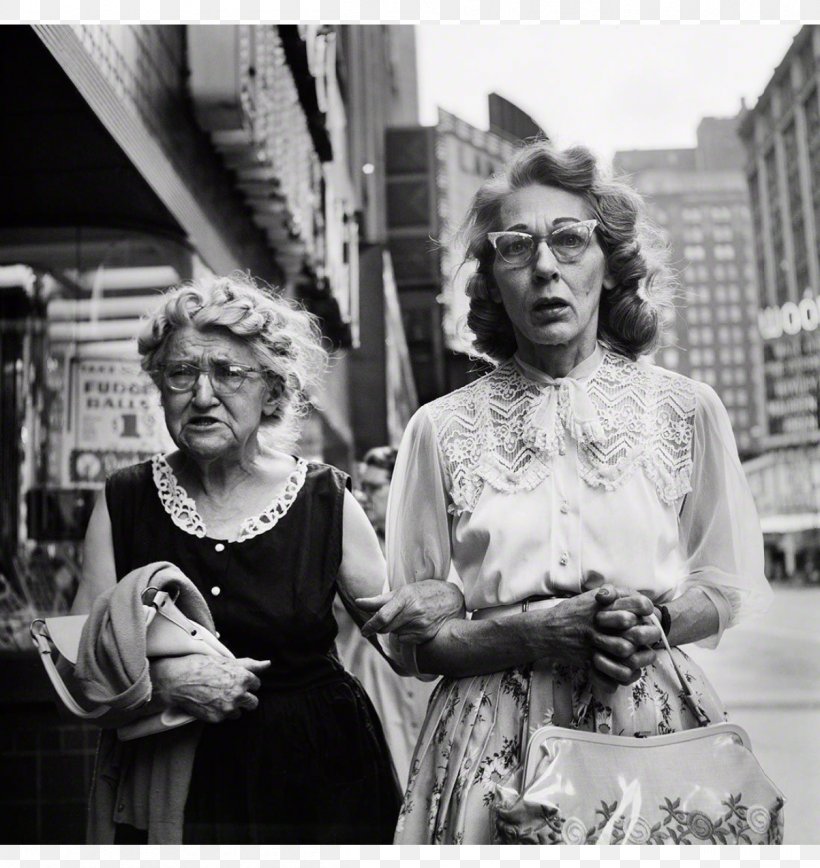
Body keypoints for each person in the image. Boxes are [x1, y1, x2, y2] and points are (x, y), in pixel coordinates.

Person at [361, 141, 773, 843]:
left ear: (609, 264)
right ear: (491, 279)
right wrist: (526, 630)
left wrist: (655, 625)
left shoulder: (685, 409)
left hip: (644, 729)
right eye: (516, 247)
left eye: (570, 240)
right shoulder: (439, 428)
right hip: (489, 743)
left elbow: (725, 585)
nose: (545, 266)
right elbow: (413, 647)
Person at [71, 272, 464, 844]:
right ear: (160, 386)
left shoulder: (323, 499)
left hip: (319, 783)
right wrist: (164, 684)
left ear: (273, 391)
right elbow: (73, 657)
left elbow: (406, 649)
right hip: (174, 788)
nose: (202, 395)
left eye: (229, 373)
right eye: (181, 373)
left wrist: (447, 596)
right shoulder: (123, 499)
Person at [333, 446, 439, 787]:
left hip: (418, 672)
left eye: (374, 487)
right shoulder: (353, 545)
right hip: (372, 673)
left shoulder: (421, 543)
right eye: (360, 486)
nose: (363, 496)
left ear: (398, 488)